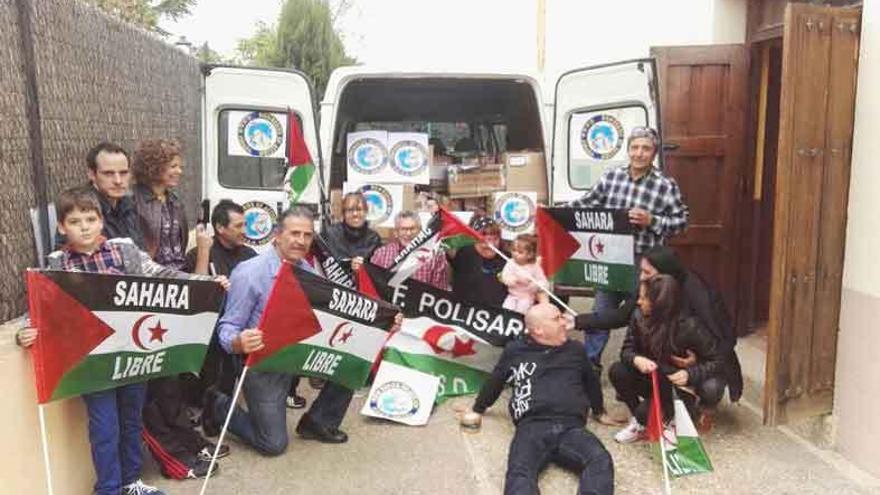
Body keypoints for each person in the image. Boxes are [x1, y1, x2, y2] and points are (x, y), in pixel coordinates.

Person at [16, 187, 223, 495]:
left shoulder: (123, 251)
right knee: (104, 427)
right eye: (75, 221)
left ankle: (131, 482)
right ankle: (109, 489)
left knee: (130, 421)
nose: (84, 226)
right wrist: (26, 330)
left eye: (90, 218)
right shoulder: (57, 264)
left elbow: (163, 275)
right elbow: (41, 306)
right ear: (62, 227)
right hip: (92, 361)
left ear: (101, 221)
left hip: (131, 354)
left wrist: (206, 284)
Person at [203, 206, 358, 455]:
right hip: (264, 363)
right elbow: (227, 327)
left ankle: (317, 422)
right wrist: (238, 342)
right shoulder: (250, 272)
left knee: (355, 358)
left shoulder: (308, 272)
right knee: (273, 444)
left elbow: (332, 314)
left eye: (307, 235)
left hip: (297, 353)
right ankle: (219, 405)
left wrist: (381, 322)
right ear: (277, 234)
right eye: (294, 233)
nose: (301, 241)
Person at [132, 139, 220, 478]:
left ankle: (185, 440)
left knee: (176, 374)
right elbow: (143, 259)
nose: (180, 171)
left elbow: (176, 247)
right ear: (155, 166)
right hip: (151, 295)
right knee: (160, 381)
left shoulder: (175, 201)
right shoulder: (134, 203)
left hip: (177, 290)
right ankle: (173, 454)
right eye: (174, 165)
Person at [462, 303, 614, 495]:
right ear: (539, 330)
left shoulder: (575, 349)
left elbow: (591, 382)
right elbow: (496, 380)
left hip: (572, 427)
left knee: (600, 460)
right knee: (519, 474)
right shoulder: (516, 350)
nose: (564, 322)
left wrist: (600, 411)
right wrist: (477, 408)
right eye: (557, 318)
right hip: (532, 427)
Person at [570, 126, 689, 366]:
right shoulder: (611, 178)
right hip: (612, 259)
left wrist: (652, 220)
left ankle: (634, 365)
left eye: (645, 148)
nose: (639, 153)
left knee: (640, 314)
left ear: (654, 153)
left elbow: (681, 222)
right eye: (635, 147)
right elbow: (585, 204)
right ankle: (590, 364)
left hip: (645, 262)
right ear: (628, 150)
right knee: (602, 312)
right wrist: (552, 212)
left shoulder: (665, 185)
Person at [576, 246, 744, 408]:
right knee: (623, 371)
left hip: (699, 362)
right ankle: (653, 408)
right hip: (663, 361)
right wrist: (578, 321)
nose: (641, 277)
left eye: (647, 272)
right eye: (641, 271)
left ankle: (701, 407)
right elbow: (622, 316)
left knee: (711, 388)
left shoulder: (700, 296)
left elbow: (725, 342)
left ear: (666, 273)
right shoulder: (648, 289)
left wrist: (695, 364)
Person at [609, 275, 725, 443]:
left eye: (643, 298)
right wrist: (636, 359)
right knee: (617, 371)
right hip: (652, 377)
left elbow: (718, 360)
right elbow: (627, 350)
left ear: (660, 303)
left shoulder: (690, 325)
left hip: (676, 384)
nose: (638, 302)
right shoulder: (638, 316)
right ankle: (642, 422)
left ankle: (671, 415)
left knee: (645, 411)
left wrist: (690, 374)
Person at [370, 210, 450, 290]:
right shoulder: (381, 254)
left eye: (412, 229)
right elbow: (371, 284)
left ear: (420, 232)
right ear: (396, 232)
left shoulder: (436, 257)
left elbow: (440, 293)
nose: (408, 234)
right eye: (404, 229)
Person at [448, 216, 508, 307]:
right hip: (465, 313)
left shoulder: (507, 259)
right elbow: (447, 241)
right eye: (485, 240)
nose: (491, 244)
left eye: (495, 239)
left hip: (498, 315)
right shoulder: (463, 255)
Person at [323, 191, 382, 272]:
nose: (355, 214)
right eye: (350, 210)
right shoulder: (331, 234)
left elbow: (378, 268)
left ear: (366, 212)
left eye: (359, 209)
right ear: (343, 213)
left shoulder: (374, 238)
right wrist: (348, 264)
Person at [500, 233, 549, 314]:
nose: (515, 254)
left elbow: (544, 282)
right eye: (513, 250)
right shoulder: (511, 263)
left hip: (526, 298)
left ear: (530, 255)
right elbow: (505, 275)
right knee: (506, 309)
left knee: (521, 312)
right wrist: (511, 280)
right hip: (512, 295)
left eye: (520, 252)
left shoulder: (534, 267)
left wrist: (534, 285)